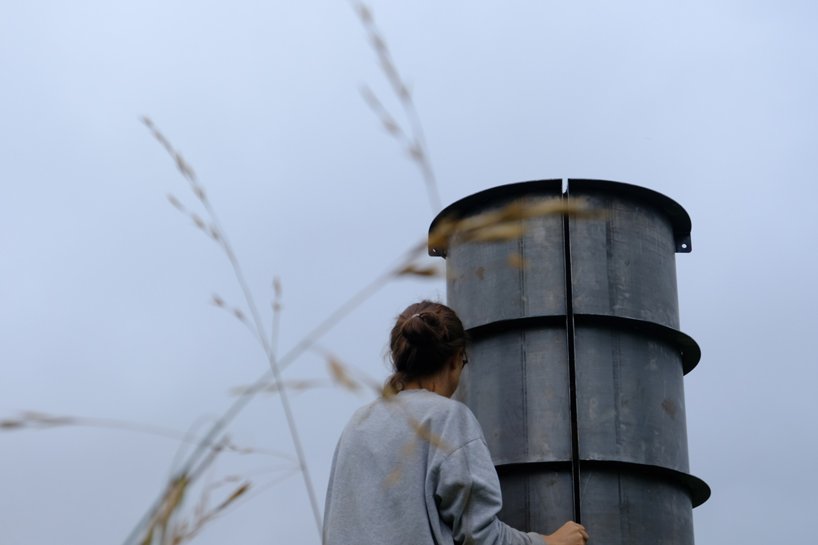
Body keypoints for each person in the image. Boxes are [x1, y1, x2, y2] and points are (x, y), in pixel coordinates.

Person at [323, 300, 589, 545]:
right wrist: (547, 543)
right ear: (454, 360)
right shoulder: (448, 418)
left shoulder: (358, 423)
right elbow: (479, 536)